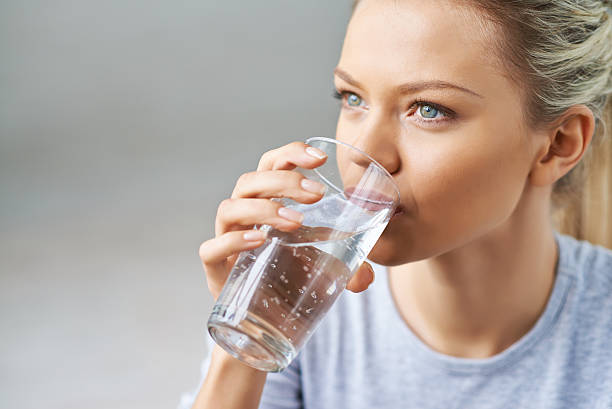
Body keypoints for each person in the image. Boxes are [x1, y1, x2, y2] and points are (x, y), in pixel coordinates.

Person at [181, 0, 612, 408]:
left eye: (428, 109)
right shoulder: (301, 295)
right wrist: (245, 339)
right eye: (353, 98)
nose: (362, 150)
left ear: (558, 145)